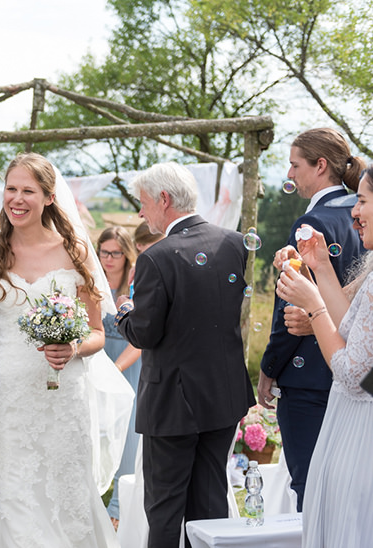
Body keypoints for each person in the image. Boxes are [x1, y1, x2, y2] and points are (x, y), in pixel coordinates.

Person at [0, 152, 121, 548]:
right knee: (13, 500)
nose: (17, 199)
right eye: (11, 189)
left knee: (65, 497)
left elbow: (96, 334)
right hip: (8, 399)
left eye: (28, 191)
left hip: (63, 397)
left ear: (50, 197)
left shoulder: (76, 252)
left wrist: (73, 347)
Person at [115, 162, 255, 548]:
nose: (141, 213)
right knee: (210, 504)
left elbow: (145, 332)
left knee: (164, 510)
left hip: (172, 403)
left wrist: (124, 311)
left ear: (164, 199)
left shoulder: (156, 258)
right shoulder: (234, 243)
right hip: (222, 395)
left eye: (143, 203)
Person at [258, 128, 364, 510]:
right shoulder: (354, 216)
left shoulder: (310, 225)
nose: (290, 174)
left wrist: (270, 366)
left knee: (311, 488)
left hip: (310, 377)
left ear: (321, 166)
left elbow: (289, 309)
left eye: (294, 164)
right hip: (354, 373)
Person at [274, 165, 373, 547]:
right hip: (350, 424)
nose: (353, 211)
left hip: (361, 436)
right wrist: (321, 267)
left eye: (362, 201)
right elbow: (352, 329)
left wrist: (313, 305)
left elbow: (353, 374)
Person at [96, 226, 142, 528]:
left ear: (126, 255)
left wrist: (114, 371)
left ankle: (117, 507)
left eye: (116, 253)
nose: (109, 259)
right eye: (104, 252)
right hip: (97, 361)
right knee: (96, 429)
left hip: (128, 363)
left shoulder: (137, 285)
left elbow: (139, 339)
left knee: (127, 433)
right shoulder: (92, 283)